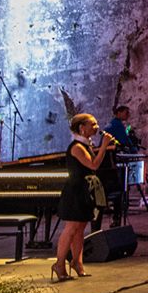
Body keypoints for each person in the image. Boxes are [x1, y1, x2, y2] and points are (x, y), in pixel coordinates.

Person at [52, 112, 117, 281]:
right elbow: (93, 165)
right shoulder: (77, 147)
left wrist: (101, 147)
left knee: (80, 229)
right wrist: (104, 146)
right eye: (92, 124)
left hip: (83, 191)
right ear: (82, 128)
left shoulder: (86, 145)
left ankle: (77, 262)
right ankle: (59, 264)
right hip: (75, 191)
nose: (96, 127)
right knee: (71, 228)